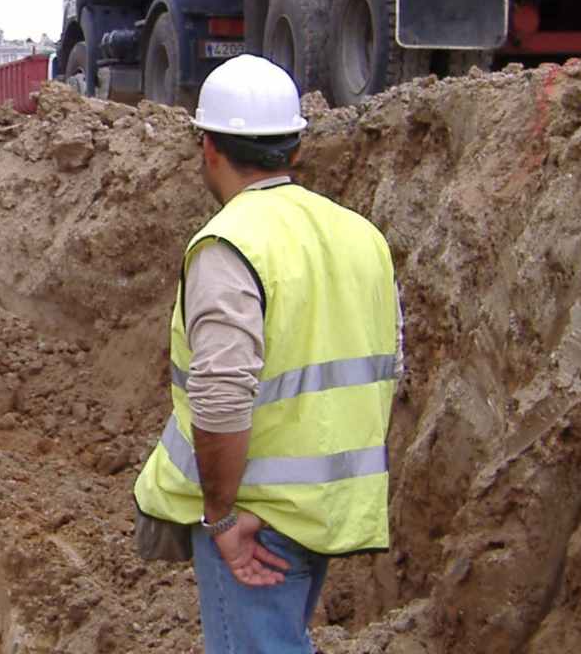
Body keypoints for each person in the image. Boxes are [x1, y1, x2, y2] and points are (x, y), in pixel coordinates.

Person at [131, 54, 401, 654]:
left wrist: (221, 518)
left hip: (257, 517)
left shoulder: (231, 244)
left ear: (208, 148)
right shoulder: (360, 235)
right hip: (327, 506)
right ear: (295, 150)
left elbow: (222, 396)